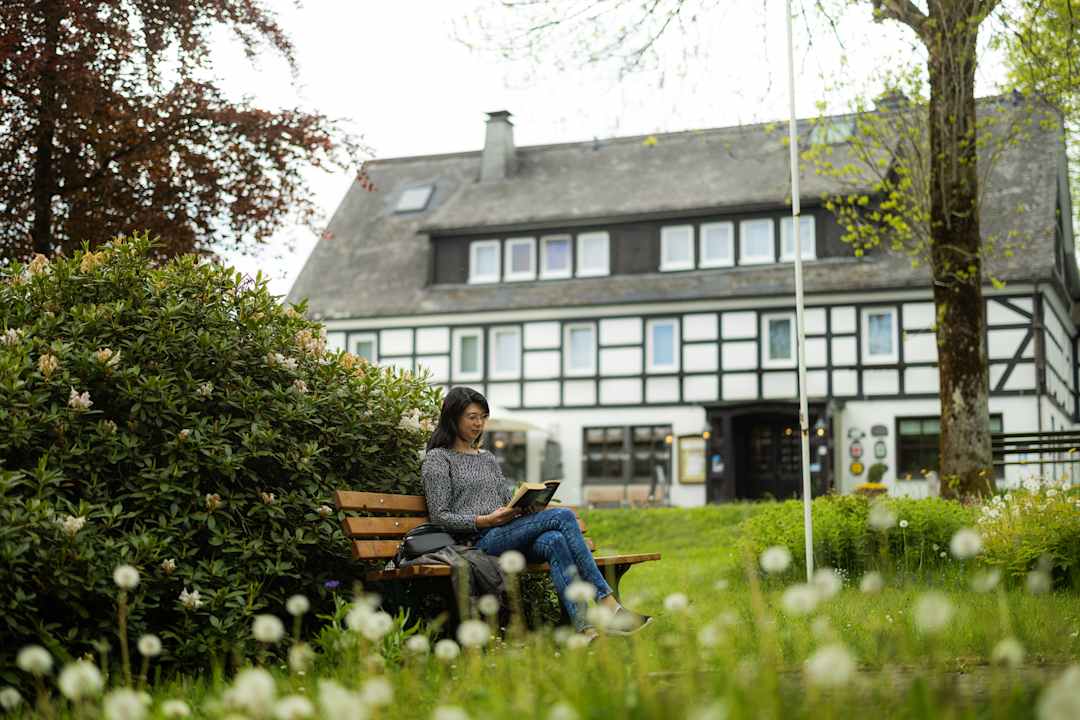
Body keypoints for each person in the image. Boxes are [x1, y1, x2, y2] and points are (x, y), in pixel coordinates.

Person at [421, 386, 652, 639]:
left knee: (555, 540)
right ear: (453, 417)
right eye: (472, 417)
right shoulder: (437, 459)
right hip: (475, 543)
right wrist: (484, 520)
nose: (479, 424)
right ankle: (608, 606)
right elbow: (440, 516)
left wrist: (526, 505)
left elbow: (504, 499)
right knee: (563, 517)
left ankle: (585, 629)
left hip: (504, 532)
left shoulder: (485, 457)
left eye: (483, 417)